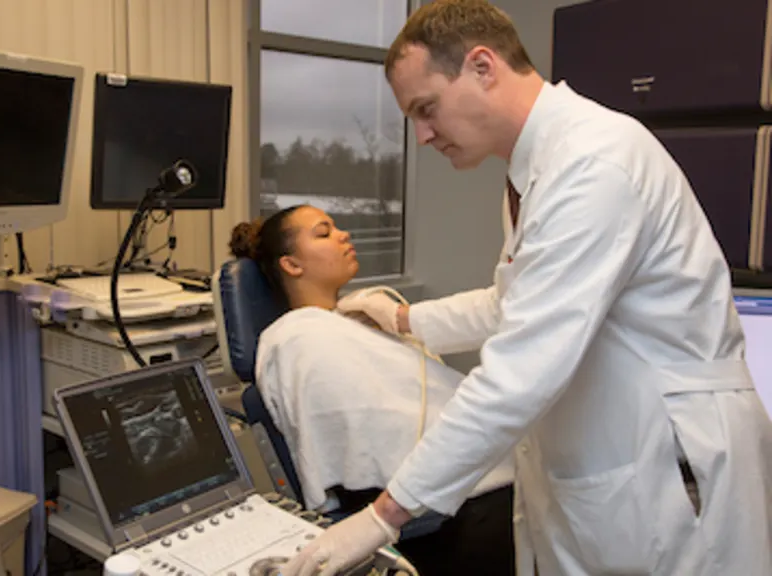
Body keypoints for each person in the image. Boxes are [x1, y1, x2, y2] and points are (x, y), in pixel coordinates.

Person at [283, 1, 772, 575]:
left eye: (426, 108)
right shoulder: (533, 171)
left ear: (482, 66)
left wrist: (384, 515)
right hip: (603, 469)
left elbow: (524, 366)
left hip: (665, 470)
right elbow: (515, 302)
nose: (421, 135)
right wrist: (404, 320)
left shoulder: (594, 163)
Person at [228, 205, 516, 575]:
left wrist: (398, 321)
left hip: (486, 474)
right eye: (323, 232)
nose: (343, 234)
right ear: (292, 264)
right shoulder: (298, 337)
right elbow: (370, 440)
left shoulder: (356, 324)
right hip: (459, 501)